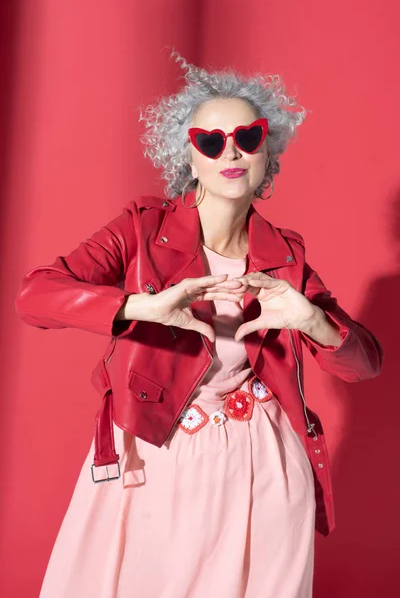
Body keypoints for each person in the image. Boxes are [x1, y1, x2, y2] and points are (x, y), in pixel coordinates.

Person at [15, 49, 383, 598]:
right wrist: (141, 306)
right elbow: (35, 295)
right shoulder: (140, 230)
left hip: (266, 466)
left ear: (267, 150)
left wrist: (312, 319)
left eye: (247, 137)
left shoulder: (285, 255)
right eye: (210, 141)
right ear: (188, 157)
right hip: (158, 454)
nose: (229, 151)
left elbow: (365, 363)